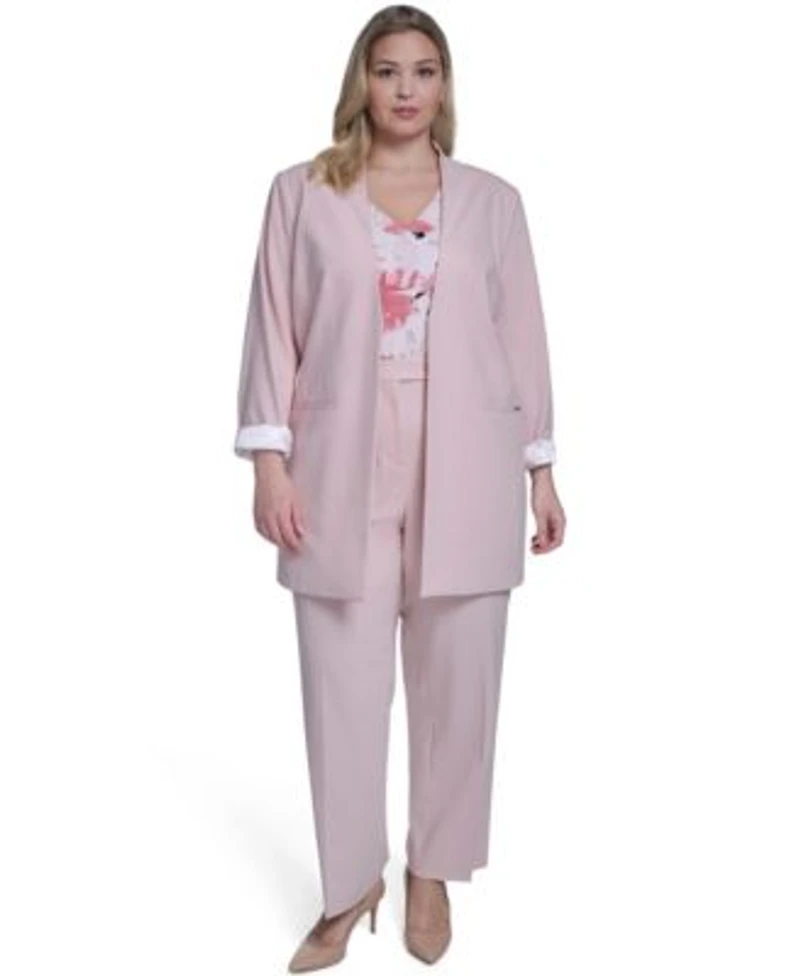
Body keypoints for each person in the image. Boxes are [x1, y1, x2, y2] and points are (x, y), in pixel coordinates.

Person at [233, 5, 566, 971]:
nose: (407, 89)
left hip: (470, 447)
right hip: (337, 452)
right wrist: (269, 460)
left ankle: (432, 870)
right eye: (388, 71)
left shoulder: (495, 203)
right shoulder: (302, 193)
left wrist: (542, 470)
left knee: (461, 674)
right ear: (362, 82)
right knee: (341, 678)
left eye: (425, 71)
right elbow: (273, 324)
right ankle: (350, 885)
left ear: (444, 85)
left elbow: (523, 336)